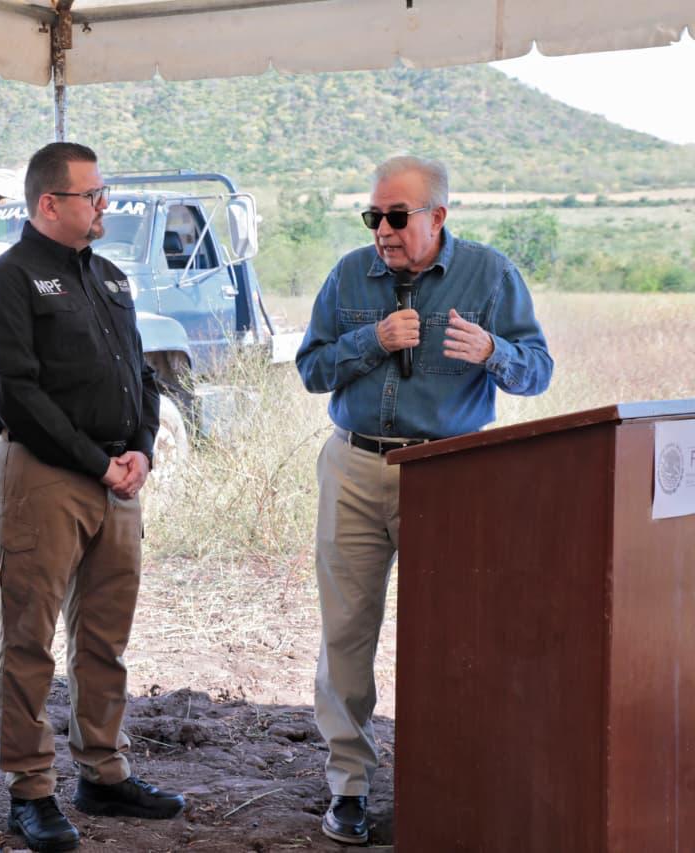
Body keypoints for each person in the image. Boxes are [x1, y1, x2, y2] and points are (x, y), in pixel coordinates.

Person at [295, 155, 554, 845]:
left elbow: (539, 369)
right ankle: (349, 786)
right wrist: (370, 340)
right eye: (373, 215)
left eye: (397, 216)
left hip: (449, 474)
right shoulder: (350, 275)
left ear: (438, 216)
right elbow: (311, 367)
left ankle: (451, 779)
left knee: (451, 635)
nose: (382, 229)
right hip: (353, 465)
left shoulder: (489, 275)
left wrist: (494, 350)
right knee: (346, 633)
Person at [0, 142, 186, 853]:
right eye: (93, 194)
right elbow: (19, 395)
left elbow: (142, 376)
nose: (104, 205)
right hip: (48, 477)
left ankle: (103, 768)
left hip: (118, 479)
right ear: (49, 203)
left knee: (105, 635)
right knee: (29, 640)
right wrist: (97, 461)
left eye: (104, 192)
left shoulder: (110, 278)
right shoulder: (8, 281)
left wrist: (141, 451)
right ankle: (30, 789)